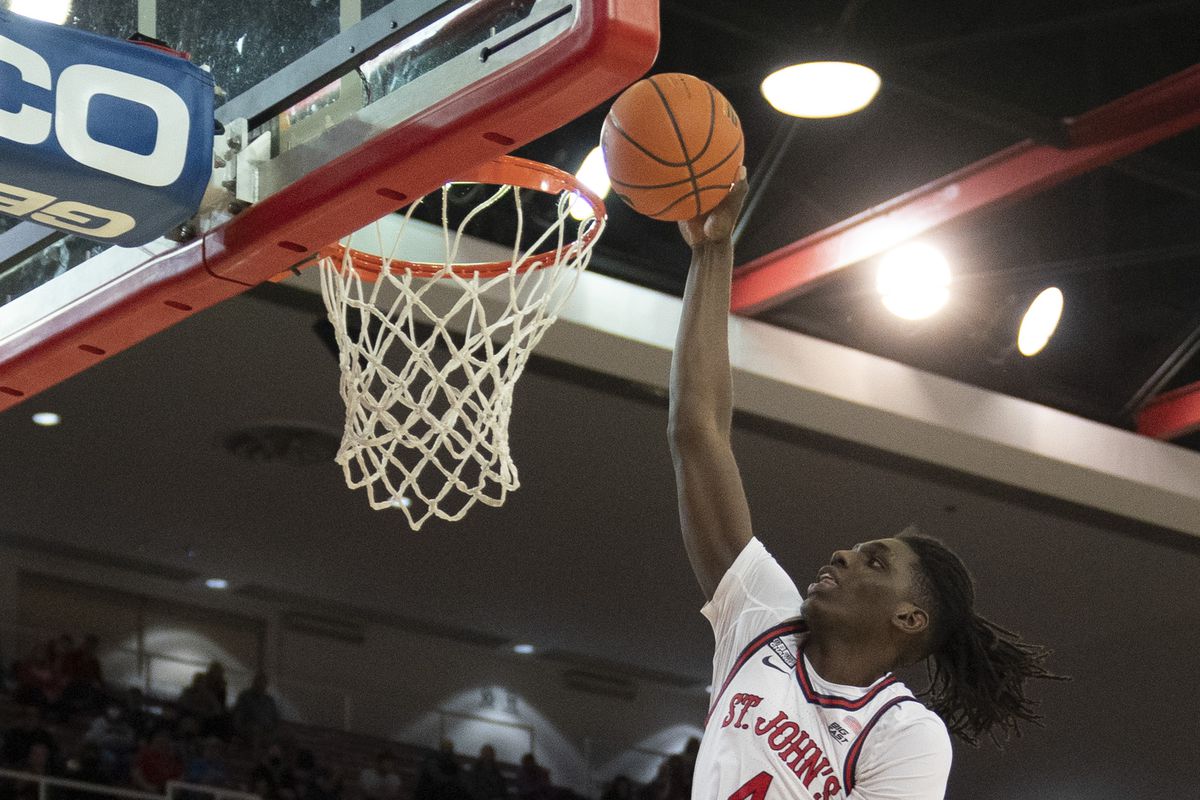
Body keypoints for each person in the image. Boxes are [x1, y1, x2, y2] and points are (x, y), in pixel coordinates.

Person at [666, 168, 1062, 799]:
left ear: (909, 617)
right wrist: (714, 250)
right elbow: (698, 431)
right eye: (858, 550)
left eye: (874, 562)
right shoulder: (764, 616)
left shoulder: (904, 733)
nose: (843, 554)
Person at [232, 673, 281, 754]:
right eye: (258, 683)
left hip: (268, 729)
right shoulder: (245, 697)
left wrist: (274, 728)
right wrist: (239, 729)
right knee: (256, 731)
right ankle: (256, 758)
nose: (261, 686)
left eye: (263, 684)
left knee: (290, 737)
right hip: (252, 728)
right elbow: (238, 716)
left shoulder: (269, 700)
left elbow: (276, 718)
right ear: (254, 683)